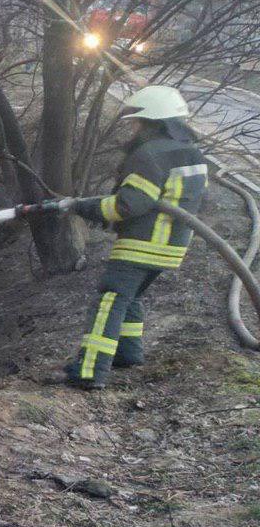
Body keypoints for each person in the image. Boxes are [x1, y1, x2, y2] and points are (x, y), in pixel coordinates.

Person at [49, 85, 208, 389]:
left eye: (137, 122)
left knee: (109, 299)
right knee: (131, 297)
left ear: (153, 121)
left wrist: (83, 207)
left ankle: (89, 371)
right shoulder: (191, 154)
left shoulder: (149, 154)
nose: (133, 128)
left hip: (142, 244)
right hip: (172, 246)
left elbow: (126, 205)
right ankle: (128, 353)